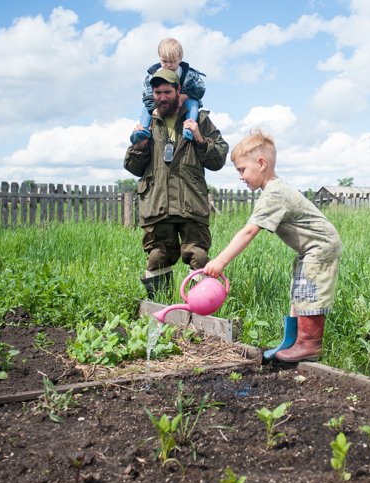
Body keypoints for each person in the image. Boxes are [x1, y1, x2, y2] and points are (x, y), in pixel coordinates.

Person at [202, 130, 342, 362]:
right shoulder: (273, 190)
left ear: (261, 163)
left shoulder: (275, 194)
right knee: (300, 290)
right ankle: (292, 341)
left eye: (242, 170)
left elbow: (249, 231)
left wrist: (220, 261)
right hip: (311, 248)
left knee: (310, 292)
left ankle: (309, 344)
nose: (240, 176)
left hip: (320, 247)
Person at [124, 68, 229, 298]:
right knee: (156, 258)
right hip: (157, 206)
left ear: (178, 90)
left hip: (190, 204)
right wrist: (138, 148)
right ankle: (160, 312)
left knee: (199, 257)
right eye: (157, 92)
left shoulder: (199, 118)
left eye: (167, 92)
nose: (161, 97)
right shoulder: (148, 122)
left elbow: (219, 157)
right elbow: (132, 167)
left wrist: (200, 138)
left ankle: (199, 314)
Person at [130, 38, 206, 145]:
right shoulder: (152, 75)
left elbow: (200, 89)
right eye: (164, 61)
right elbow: (147, 96)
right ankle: (143, 130)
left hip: (186, 101)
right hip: (159, 105)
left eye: (172, 62)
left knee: (193, 103)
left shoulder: (189, 74)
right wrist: (154, 108)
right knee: (145, 110)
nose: (168, 65)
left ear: (180, 58)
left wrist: (184, 96)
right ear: (159, 58)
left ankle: (189, 128)